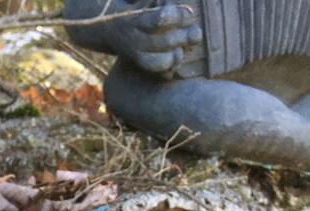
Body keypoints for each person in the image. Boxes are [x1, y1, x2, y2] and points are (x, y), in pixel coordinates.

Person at [64, 0, 310, 169]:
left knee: (225, 115)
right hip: (177, 88)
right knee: (218, 114)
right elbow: (77, 10)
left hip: (302, 94)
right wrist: (118, 27)